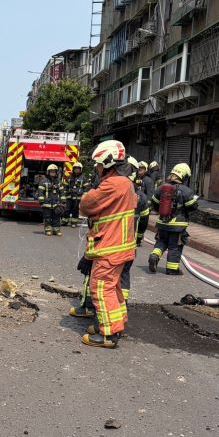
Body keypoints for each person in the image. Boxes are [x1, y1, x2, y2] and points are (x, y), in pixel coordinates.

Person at [78, 140, 137, 349]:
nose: (96, 168)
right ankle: (116, 324)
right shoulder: (126, 184)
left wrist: (86, 196)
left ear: (107, 161)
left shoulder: (113, 184)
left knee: (101, 289)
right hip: (120, 247)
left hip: (110, 249)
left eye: (98, 164)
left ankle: (108, 334)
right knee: (113, 288)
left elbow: (86, 205)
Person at [148, 163, 199, 275]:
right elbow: (193, 207)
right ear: (184, 176)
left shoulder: (162, 188)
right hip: (177, 226)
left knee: (161, 242)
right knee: (174, 246)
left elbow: (155, 204)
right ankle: (172, 268)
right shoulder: (186, 191)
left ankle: (154, 255)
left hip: (162, 223)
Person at [119, 156, 151, 304]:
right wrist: (139, 237)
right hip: (130, 243)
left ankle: (92, 305)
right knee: (125, 272)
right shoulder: (141, 196)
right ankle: (123, 300)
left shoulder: (112, 189)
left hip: (111, 242)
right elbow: (144, 220)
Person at [37, 164, 64, 236]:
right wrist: (41, 201)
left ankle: (56, 230)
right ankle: (48, 230)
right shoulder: (43, 181)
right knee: (47, 217)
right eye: (51, 171)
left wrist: (63, 202)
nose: (53, 173)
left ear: (56, 173)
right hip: (46, 203)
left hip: (56, 203)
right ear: (48, 172)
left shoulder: (59, 182)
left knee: (56, 217)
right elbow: (40, 192)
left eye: (54, 172)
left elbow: (62, 192)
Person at [63, 162, 90, 227]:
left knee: (75, 210)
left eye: (78, 169)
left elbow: (86, 188)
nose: (77, 170)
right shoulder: (69, 177)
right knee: (67, 209)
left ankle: (74, 222)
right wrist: (65, 193)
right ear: (73, 169)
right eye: (75, 168)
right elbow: (65, 186)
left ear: (81, 169)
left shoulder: (83, 178)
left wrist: (84, 196)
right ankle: (65, 221)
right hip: (69, 197)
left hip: (78, 197)